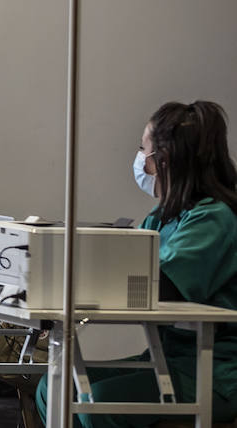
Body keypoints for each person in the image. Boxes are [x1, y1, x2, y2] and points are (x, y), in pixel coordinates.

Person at [33, 101, 237, 427]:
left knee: (94, 405)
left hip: (213, 371)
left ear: (165, 160)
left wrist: (79, 281)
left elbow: (161, 285)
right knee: (53, 387)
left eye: (144, 151)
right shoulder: (161, 217)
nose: (140, 159)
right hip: (163, 359)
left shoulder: (213, 218)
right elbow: (125, 270)